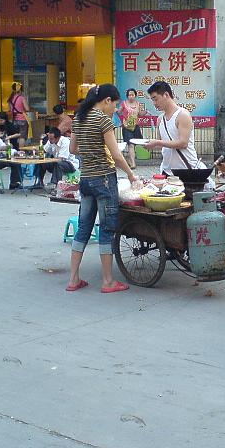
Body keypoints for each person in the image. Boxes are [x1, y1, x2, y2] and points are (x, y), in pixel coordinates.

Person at [66, 84, 136, 294]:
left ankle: (73, 279)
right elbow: (116, 155)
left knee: (84, 227)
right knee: (106, 229)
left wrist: (90, 149)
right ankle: (108, 282)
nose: (115, 109)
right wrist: (132, 175)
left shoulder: (79, 118)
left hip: (86, 179)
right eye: (115, 104)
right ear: (106, 100)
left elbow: (72, 149)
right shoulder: (104, 120)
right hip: (104, 179)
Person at [145, 81, 205, 174]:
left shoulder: (182, 115)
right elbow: (161, 144)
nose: (154, 103)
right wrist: (148, 144)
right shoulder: (160, 119)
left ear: (166, 94)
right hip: (166, 170)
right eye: (152, 100)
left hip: (185, 170)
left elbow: (183, 143)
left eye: (155, 99)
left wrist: (156, 142)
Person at [117, 88, 142, 170]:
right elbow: (119, 112)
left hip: (135, 126)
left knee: (134, 144)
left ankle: (130, 160)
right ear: (127, 96)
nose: (131, 96)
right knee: (130, 145)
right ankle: (133, 163)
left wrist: (145, 112)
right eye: (129, 95)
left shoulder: (138, 104)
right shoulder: (124, 104)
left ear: (135, 95)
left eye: (132, 95)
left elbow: (140, 113)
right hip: (126, 127)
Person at [7, 82, 29, 146]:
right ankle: (21, 151)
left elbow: (10, 110)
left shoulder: (10, 99)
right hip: (22, 119)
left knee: (16, 135)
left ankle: (16, 149)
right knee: (22, 136)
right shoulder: (22, 98)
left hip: (14, 119)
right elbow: (27, 109)